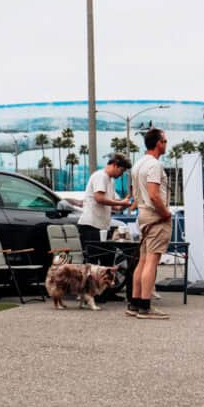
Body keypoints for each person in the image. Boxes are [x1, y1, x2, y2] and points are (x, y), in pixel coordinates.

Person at [129, 128, 171, 319]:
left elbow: (136, 196)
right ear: (158, 143)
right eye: (165, 141)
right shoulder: (154, 165)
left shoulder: (138, 165)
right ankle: (146, 306)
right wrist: (166, 214)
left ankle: (135, 302)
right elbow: (154, 194)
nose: (166, 144)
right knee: (152, 261)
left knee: (143, 260)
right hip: (155, 216)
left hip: (143, 215)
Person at [76, 153, 133, 248]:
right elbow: (99, 198)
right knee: (94, 259)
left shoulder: (111, 181)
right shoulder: (101, 176)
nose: (121, 174)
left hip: (102, 227)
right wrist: (121, 202)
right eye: (121, 170)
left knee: (107, 257)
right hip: (91, 226)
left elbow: (116, 206)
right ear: (114, 165)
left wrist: (126, 202)